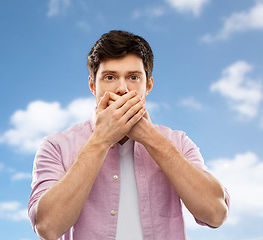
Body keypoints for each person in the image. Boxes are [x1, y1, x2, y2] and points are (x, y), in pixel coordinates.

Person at [28, 30, 230, 240]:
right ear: (92, 85)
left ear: (148, 85)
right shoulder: (56, 146)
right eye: (109, 77)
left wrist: (151, 138)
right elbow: (47, 227)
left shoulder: (178, 142)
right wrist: (101, 140)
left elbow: (216, 214)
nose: (122, 89)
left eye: (133, 77)